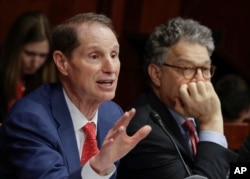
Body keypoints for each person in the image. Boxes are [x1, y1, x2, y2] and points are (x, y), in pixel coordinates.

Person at [0, 12, 152, 178]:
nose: (111, 68)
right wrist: (97, 167)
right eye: (94, 56)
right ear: (62, 63)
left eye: (114, 55)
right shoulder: (30, 120)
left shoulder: (112, 114)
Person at [117, 17, 238, 179]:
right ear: (156, 74)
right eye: (187, 68)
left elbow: (227, 170)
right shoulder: (143, 131)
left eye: (205, 69)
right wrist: (212, 121)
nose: (200, 80)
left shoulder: (194, 112)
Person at [0, 11, 57, 123]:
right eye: (29, 53)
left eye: (42, 55)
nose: (35, 62)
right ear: (15, 48)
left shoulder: (43, 79)